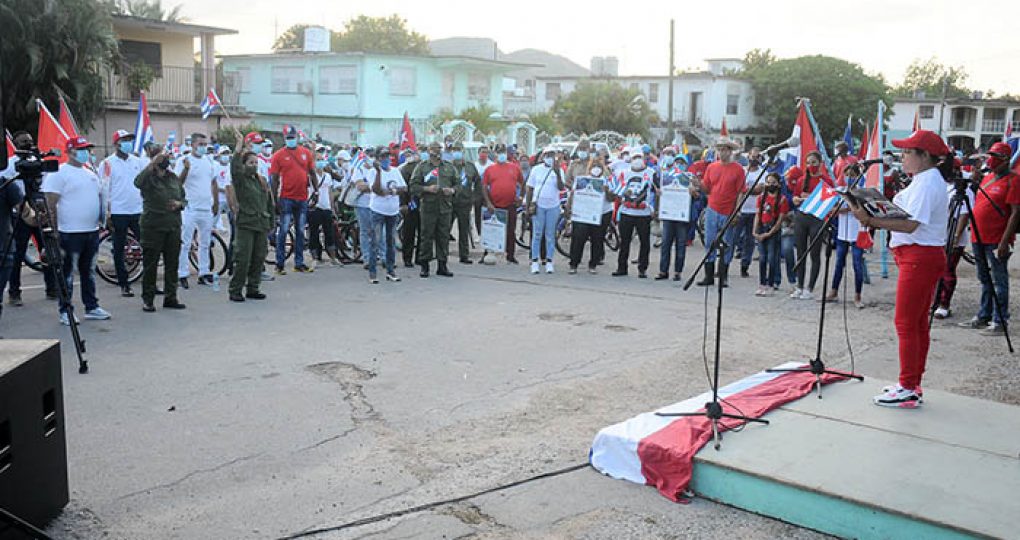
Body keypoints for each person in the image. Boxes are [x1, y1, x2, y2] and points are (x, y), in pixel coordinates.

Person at [849, 130, 950, 408]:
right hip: (916, 255)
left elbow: (911, 224)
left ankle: (908, 385)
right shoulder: (924, 180)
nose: (902, 157)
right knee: (916, 324)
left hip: (920, 255)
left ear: (925, 156)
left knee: (906, 323)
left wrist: (871, 219)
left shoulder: (928, 183)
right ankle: (911, 382)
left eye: (908, 152)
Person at [41, 137, 111, 324]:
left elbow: (99, 198)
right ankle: (66, 310)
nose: (85, 153)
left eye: (87, 149)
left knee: (88, 272)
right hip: (68, 232)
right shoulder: (59, 173)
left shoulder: (90, 173)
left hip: (91, 231)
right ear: (70, 151)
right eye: (81, 149)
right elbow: (50, 203)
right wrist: (53, 232)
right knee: (68, 274)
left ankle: (92, 306)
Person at [956, 141, 1020, 336]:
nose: (991, 160)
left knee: (999, 280)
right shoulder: (987, 178)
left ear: (1006, 160)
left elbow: (1015, 213)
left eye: (996, 157)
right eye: (990, 155)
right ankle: (984, 315)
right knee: (984, 279)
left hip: (997, 239)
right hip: (978, 236)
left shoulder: (1013, 180)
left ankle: (1000, 321)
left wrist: (1004, 242)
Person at [5, 131, 58, 305]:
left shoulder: (39, 162)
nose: (28, 144)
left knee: (48, 251)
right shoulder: (10, 164)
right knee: (17, 254)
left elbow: (47, 184)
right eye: (23, 142)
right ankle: (14, 292)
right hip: (21, 212)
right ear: (15, 144)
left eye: (30, 141)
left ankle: (52, 288)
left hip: (40, 209)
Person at [135, 151, 187, 312]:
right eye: (162, 159)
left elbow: (184, 197)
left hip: (173, 226)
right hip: (153, 227)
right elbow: (137, 182)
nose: (166, 162)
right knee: (151, 264)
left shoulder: (173, 178)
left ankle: (171, 297)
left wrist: (180, 204)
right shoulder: (149, 178)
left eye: (167, 159)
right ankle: (148, 299)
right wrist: (151, 165)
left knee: (172, 264)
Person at [227, 132, 275, 303]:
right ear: (244, 165)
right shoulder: (241, 180)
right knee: (243, 259)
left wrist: (271, 222)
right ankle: (235, 289)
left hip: (261, 224)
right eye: (250, 163)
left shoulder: (260, 181)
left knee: (258, 257)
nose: (254, 166)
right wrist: (239, 147)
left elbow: (269, 203)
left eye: (256, 163)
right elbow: (234, 167)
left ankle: (253, 288)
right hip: (247, 224)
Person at [98, 129, 146, 297]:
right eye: (124, 140)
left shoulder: (138, 162)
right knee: (119, 249)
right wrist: (106, 214)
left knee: (147, 246)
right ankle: (124, 284)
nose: (128, 143)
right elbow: (103, 189)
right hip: (118, 213)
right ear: (116, 143)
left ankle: (150, 282)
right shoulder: (107, 164)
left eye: (129, 140)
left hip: (138, 211)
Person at [695, 137, 748, 287]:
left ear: (730, 151)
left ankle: (723, 276)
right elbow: (707, 188)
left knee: (727, 243)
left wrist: (737, 211)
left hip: (728, 209)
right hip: (712, 208)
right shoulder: (712, 167)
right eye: (719, 149)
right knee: (709, 242)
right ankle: (709, 276)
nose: (721, 152)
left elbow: (740, 192)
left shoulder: (738, 169)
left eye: (724, 149)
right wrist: (698, 185)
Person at [174, 132, 218, 288]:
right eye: (200, 144)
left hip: (206, 207)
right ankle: (182, 274)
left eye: (205, 144)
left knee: (205, 242)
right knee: (185, 243)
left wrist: (215, 202)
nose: (203, 147)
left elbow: (213, 183)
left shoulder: (209, 161)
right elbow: (177, 182)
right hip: (190, 207)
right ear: (192, 145)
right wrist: (186, 169)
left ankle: (204, 272)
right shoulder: (183, 161)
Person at [269, 126, 316, 274]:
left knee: (301, 231)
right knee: (283, 231)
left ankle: (299, 262)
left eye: (292, 137)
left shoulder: (306, 153)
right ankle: (280, 263)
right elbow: (274, 179)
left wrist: (316, 191)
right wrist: (274, 198)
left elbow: (312, 172)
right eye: (288, 137)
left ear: (297, 137)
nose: (291, 139)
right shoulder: (278, 155)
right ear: (284, 138)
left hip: (302, 197)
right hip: (286, 197)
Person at [789, 151, 834, 299]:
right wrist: (796, 199)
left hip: (817, 219)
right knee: (800, 253)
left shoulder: (826, 181)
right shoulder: (802, 180)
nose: (811, 166)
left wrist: (811, 197)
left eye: (814, 162)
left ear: (820, 163)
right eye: (808, 163)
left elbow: (829, 202)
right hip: (801, 218)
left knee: (815, 254)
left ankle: (810, 287)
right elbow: (795, 197)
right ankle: (800, 286)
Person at [933, 159, 974, 320]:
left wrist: (956, 237)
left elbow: (964, 214)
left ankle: (944, 304)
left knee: (948, 271)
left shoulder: (964, 189)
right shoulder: (943, 186)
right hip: (940, 236)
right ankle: (935, 301)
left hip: (953, 237)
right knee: (937, 271)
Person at [409, 141, 457, 278]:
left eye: (439, 149)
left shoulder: (448, 167)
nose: (437, 152)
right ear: (429, 151)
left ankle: (442, 265)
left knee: (443, 237)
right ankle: (425, 266)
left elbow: (458, 184)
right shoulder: (422, 167)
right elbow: (413, 186)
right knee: (426, 236)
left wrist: (452, 190)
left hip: (445, 207)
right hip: (428, 207)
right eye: (434, 150)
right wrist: (426, 189)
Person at [610, 148, 656, 278]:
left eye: (639, 157)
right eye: (634, 157)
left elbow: (657, 191)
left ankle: (642, 268)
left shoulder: (651, 173)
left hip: (644, 213)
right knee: (624, 241)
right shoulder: (623, 173)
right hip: (626, 212)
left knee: (644, 242)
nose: (637, 160)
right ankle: (621, 267)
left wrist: (655, 209)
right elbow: (616, 191)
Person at [827, 164, 867, 308]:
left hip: (857, 232)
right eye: (847, 175)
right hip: (842, 232)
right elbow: (834, 209)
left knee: (857, 264)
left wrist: (847, 208)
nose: (849, 178)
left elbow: (860, 209)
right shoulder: (841, 192)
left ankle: (857, 295)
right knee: (839, 263)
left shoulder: (862, 192)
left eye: (852, 175)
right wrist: (841, 209)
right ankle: (834, 291)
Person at [653, 147, 695, 281]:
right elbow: (657, 191)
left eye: (682, 162)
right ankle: (663, 271)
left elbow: (699, 195)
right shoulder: (665, 176)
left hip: (681, 216)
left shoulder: (689, 177)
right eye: (677, 162)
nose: (679, 164)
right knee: (665, 244)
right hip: (669, 214)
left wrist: (692, 191)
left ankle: (678, 271)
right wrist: (659, 195)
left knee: (680, 244)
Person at [565, 157, 611, 274]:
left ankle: (593, 264)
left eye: (599, 167)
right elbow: (572, 195)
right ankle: (574, 264)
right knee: (578, 239)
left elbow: (612, 198)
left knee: (597, 239)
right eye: (594, 166)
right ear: (590, 168)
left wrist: (607, 191)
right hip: (583, 214)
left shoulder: (607, 181)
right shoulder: (582, 180)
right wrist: (568, 208)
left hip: (602, 214)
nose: (596, 169)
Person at [481, 143, 524, 264]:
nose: (501, 154)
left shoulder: (514, 168)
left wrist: (520, 197)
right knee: (491, 229)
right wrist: (488, 203)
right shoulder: (490, 169)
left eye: (503, 152)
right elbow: (484, 187)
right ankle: (488, 253)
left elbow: (523, 183)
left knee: (511, 230)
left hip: (510, 204)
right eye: (499, 152)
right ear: (495, 154)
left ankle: (510, 255)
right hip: (494, 205)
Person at [368, 146, 406, 283]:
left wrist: (393, 191)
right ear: (377, 159)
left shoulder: (395, 171)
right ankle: (373, 273)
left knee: (391, 242)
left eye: (387, 156)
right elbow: (376, 189)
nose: (386, 159)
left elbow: (403, 187)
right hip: (378, 210)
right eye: (382, 157)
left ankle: (390, 271)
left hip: (392, 211)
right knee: (375, 241)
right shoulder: (373, 172)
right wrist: (378, 172)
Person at [526, 148, 564, 274]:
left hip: (553, 206)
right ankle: (535, 261)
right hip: (539, 205)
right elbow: (530, 188)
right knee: (537, 234)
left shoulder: (559, 170)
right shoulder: (536, 170)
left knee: (550, 235)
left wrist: (558, 173)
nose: (550, 157)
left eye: (552, 155)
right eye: (547, 155)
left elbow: (561, 187)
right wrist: (527, 206)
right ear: (543, 156)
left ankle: (549, 261)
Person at [752, 172, 788, 295]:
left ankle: (771, 283)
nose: (770, 185)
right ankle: (762, 283)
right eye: (768, 182)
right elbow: (758, 215)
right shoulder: (761, 198)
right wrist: (755, 230)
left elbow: (780, 220)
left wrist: (769, 233)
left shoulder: (782, 200)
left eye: (773, 183)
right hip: (762, 227)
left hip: (773, 230)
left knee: (772, 258)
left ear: (778, 184)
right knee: (762, 258)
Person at [307, 145, 343, 267]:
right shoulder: (310, 176)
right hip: (314, 207)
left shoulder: (327, 176)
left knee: (329, 233)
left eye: (322, 159)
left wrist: (333, 208)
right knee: (314, 233)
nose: (320, 162)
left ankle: (333, 257)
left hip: (326, 207)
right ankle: (315, 258)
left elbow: (329, 193)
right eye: (317, 160)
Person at [734, 148, 764, 278]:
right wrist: (746, 190)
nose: (754, 159)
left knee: (749, 240)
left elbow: (759, 189)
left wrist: (745, 189)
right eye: (752, 156)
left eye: (757, 157)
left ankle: (745, 266)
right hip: (740, 209)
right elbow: (737, 188)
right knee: (733, 238)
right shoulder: (741, 171)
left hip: (754, 211)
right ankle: (724, 264)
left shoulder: (763, 172)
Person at [450, 142, 481, 264]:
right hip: (450, 202)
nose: (457, 152)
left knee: (464, 230)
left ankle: (464, 255)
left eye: (459, 150)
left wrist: (475, 197)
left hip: (465, 202)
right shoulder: (447, 166)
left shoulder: (470, 166)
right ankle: (441, 254)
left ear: (463, 151)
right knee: (444, 229)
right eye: (455, 150)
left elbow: (478, 182)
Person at [399, 147, 422, 267]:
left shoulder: (423, 167)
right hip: (410, 203)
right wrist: (403, 204)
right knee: (409, 233)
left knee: (422, 232)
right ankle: (407, 258)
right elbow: (402, 189)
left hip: (422, 203)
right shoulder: (404, 169)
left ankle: (420, 257)